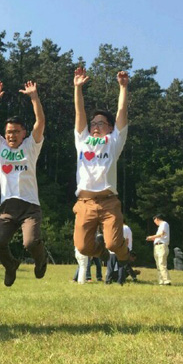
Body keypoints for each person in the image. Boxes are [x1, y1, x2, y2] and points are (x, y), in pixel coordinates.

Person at [0, 81, 47, 287]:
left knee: (30, 242)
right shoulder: (1, 147)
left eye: (16, 131)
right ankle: (11, 265)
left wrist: (34, 97)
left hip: (30, 206)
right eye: (9, 132)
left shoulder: (30, 147)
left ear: (24, 133)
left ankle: (41, 258)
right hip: (8, 207)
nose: (12, 135)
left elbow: (40, 122)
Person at [72, 66, 132, 272]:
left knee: (114, 243)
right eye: (93, 123)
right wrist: (77, 88)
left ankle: (124, 257)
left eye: (101, 123)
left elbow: (121, 113)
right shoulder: (82, 140)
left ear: (110, 128)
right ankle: (103, 255)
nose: (96, 126)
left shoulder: (114, 141)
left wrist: (123, 87)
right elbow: (79, 112)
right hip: (85, 202)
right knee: (83, 247)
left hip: (108, 202)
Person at [146, 213, 172, 285]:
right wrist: (152, 239)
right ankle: (161, 281)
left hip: (161, 246)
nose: (155, 223)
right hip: (157, 246)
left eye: (155, 221)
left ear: (157, 219)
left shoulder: (164, 224)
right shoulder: (160, 227)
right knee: (158, 265)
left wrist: (151, 237)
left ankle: (166, 280)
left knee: (162, 263)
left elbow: (161, 234)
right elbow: (160, 237)